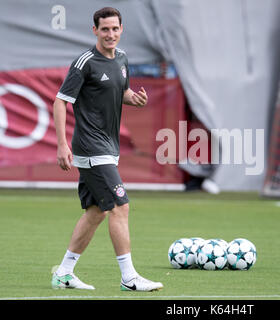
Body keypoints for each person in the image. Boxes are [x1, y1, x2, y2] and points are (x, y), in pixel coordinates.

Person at [51, 7, 163, 292]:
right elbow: (60, 101)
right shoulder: (84, 62)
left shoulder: (122, 58)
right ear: (95, 31)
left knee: (97, 211)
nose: (110, 34)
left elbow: (120, 91)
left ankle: (64, 272)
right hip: (90, 147)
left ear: (121, 29)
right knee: (120, 206)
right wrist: (62, 143)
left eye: (115, 29)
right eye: (104, 29)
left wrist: (132, 98)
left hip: (108, 147)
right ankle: (129, 277)